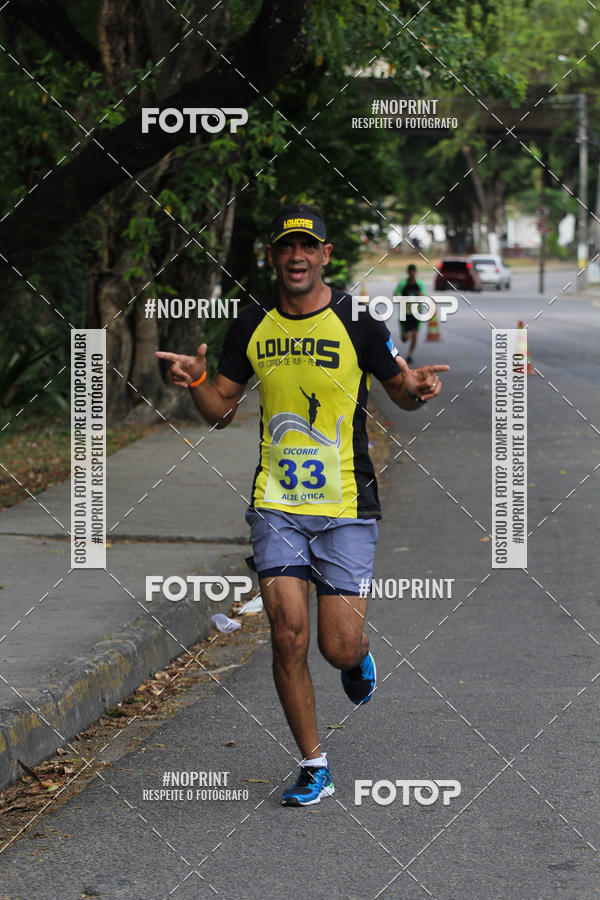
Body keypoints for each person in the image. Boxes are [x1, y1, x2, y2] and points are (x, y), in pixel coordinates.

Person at [155, 203, 449, 807]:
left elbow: (402, 392)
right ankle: (314, 763)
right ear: (272, 257)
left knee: (335, 646)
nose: (296, 257)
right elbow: (221, 412)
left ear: (324, 256)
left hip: (346, 503)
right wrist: (194, 384)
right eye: (286, 247)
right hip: (277, 504)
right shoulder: (253, 326)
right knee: (288, 634)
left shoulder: (357, 322)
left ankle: (356, 658)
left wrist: (417, 391)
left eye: (307, 247)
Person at [396, 263, 426, 364]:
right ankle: (404, 334)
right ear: (408, 272)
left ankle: (409, 355)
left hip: (416, 313)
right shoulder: (403, 284)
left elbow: (423, 296)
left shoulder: (419, 284)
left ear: (416, 272)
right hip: (405, 313)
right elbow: (396, 295)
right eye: (410, 271)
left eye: (414, 271)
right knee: (405, 338)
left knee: (415, 334)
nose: (412, 273)